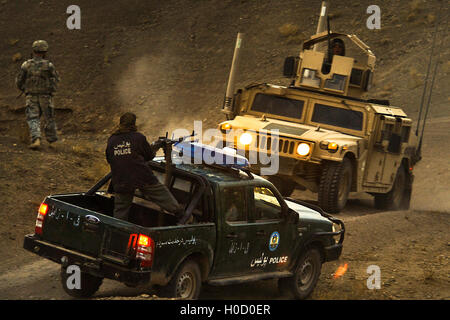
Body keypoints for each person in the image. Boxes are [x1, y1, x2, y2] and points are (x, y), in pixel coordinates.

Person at [105, 112, 184, 222]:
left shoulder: (112, 140)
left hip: (121, 179)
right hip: (141, 176)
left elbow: (110, 159)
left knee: (120, 212)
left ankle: (117, 231)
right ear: (134, 124)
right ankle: (182, 215)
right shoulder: (138, 137)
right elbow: (149, 156)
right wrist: (155, 147)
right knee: (161, 193)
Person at [16, 40, 60, 149]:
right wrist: (51, 90)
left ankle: (36, 140)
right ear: (45, 51)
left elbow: (19, 80)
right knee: (49, 117)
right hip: (46, 96)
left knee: (33, 118)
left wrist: (24, 89)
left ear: (33, 50)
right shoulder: (49, 65)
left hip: (31, 96)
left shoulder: (26, 65)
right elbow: (56, 79)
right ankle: (52, 141)